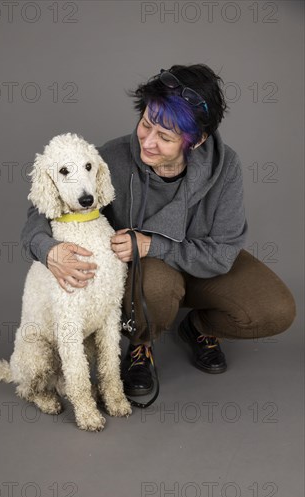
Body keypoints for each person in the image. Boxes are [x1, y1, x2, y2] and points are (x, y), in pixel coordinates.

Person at [20, 64, 296, 397]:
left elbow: (223, 253)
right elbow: (39, 209)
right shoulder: (112, 158)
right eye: (146, 124)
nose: (148, 142)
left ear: (196, 141)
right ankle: (141, 344)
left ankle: (198, 329)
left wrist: (156, 245)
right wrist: (47, 249)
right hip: (148, 277)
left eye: (164, 136)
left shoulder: (227, 168)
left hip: (202, 265)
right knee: (157, 283)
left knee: (276, 310)